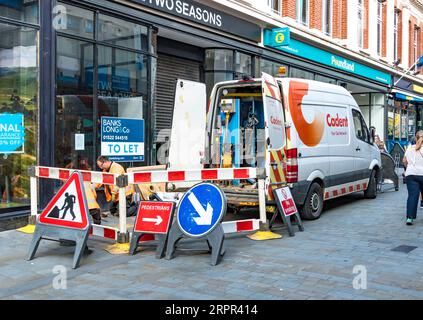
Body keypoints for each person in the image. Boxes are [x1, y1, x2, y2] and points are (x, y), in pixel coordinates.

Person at [403, 130, 423, 225]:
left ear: (416, 138)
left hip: (411, 174)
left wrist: (409, 168)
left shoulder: (409, 148)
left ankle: (409, 218)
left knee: (412, 196)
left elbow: (404, 161)